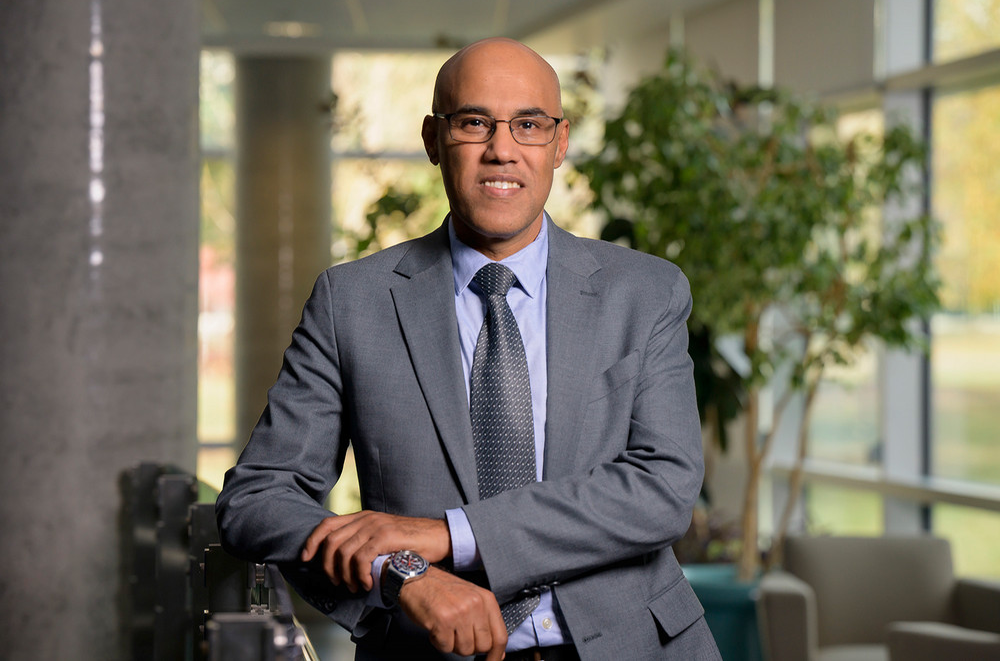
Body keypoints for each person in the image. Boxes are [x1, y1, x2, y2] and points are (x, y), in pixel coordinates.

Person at [216, 37, 721, 661]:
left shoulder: (645, 293)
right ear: (434, 140)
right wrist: (400, 574)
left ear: (559, 144)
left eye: (529, 124)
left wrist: (448, 537)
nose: (501, 150)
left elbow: (664, 487)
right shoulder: (351, 302)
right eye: (474, 122)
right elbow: (256, 499)